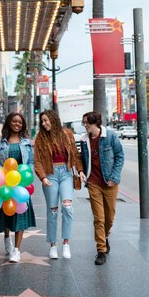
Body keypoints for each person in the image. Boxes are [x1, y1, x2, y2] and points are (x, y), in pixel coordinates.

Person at [34, 109, 85, 260]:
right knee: (53, 210)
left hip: (66, 173)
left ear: (53, 119)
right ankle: (53, 245)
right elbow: (37, 160)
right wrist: (42, 177)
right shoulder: (40, 138)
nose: (44, 124)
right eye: (42, 121)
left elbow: (75, 154)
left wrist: (80, 170)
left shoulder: (67, 134)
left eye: (46, 120)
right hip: (50, 175)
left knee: (67, 207)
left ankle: (66, 244)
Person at [80, 111, 125, 266]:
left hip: (110, 183)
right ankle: (101, 250)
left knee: (109, 217)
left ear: (95, 123)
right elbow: (81, 160)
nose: (84, 125)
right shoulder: (84, 140)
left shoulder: (110, 136)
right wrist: (81, 172)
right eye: (83, 122)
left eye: (86, 122)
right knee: (99, 218)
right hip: (93, 183)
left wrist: (114, 177)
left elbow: (120, 156)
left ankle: (104, 237)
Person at [0, 112, 36, 263]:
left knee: (20, 214)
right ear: (9, 123)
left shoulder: (26, 143)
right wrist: (3, 176)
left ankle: (17, 250)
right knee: (5, 213)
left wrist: (25, 176)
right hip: (4, 183)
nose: (17, 124)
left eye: (20, 122)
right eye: (14, 121)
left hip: (21, 184)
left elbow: (31, 162)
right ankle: (6, 236)